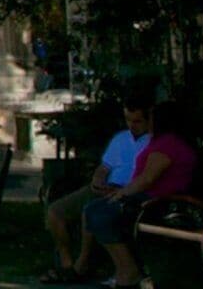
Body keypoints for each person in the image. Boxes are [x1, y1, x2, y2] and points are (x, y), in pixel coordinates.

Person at [42, 102, 150, 283]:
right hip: (104, 186)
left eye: (137, 121)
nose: (132, 125)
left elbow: (146, 178)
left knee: (90, 210)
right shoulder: (121, 139)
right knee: (55, 212)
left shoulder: (154, 143)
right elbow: (104, 167)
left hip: (125, 191)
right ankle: (66, 263)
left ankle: (80, 267)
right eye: (128, 120)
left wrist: (122, 190)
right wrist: (97, 180)